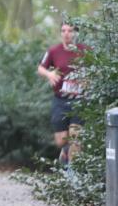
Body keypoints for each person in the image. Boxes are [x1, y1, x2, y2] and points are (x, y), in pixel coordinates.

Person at [37, 21, 90, 164]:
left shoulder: (85, 50)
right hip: (60, 100)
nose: (66, 34)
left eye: (70, 31)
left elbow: (96, 69)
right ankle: (65, 150)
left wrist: (88, 80)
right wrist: (49, 75)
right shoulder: (54, 51)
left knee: (76, 137)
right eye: (63, 31)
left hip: (79, 100)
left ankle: (72, 175)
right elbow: (41, 68)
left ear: (75, 33)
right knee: (61, 140)